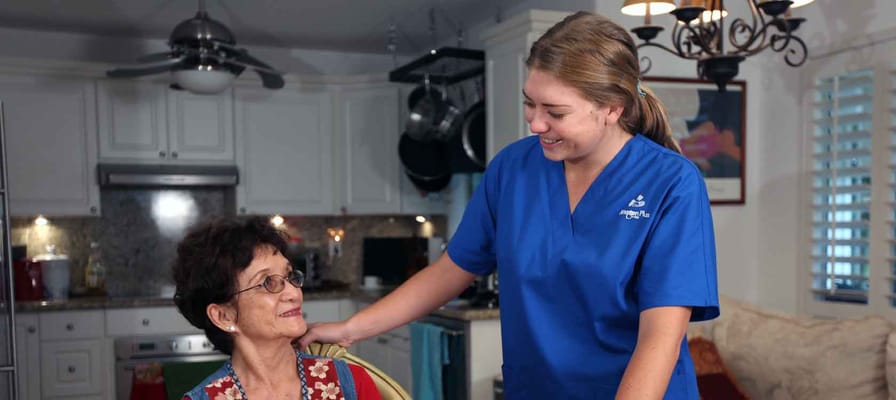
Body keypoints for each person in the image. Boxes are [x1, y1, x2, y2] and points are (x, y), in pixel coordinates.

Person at [299, 10, 719, 399]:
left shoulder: (672, 183)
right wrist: (353, 328)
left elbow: (660, 337)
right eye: (529, 103)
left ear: (612, 108)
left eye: (554, 111)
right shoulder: (512, 169)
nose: (535, 123)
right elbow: (452, 271)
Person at [171, 217, 382, 400]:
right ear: (223, 316)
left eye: (289, 276)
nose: (293, 293)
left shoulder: (351, 384)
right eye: (266, 282)